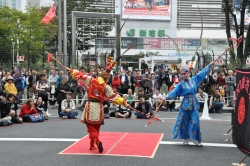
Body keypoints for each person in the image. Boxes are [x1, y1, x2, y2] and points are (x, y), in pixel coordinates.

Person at [68, 56, 130, 153]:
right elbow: (115, 97)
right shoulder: (106, 86)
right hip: (99, 108)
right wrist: (124, 102)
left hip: (90, 106)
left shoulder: (91, 79)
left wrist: (71, 71)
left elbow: (80, 75)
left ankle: (97, 141)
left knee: (90, 127)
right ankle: (93, 145)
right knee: (96, 127)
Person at [165, 60, 214, 147]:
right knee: (184, 122)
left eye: (185, 73)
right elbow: (174, 92)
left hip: (194, 104)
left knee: (195, 122)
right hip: (185, 105)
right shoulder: (181, 84)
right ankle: (185, 138)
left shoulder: (195, 80)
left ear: (189, 73)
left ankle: (196, 139)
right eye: (182, 74)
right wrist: (166, 97)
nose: (184, 75)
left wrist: (209, 66)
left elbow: (202, 73)